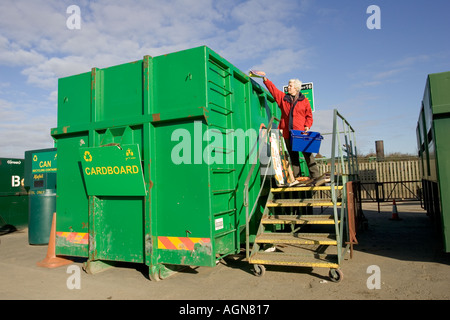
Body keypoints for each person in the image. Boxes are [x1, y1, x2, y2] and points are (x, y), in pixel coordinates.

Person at [262, 75, 320, 180]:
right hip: (287, 133)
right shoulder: (283, 99)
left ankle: (316, 176)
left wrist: (307, 125)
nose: (288, 87)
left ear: (296, 88)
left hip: (300, 133)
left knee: (308, 155)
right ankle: (298, 178)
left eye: (290, 86)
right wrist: (265, 80)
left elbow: (309, 116)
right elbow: (274, 91)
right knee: (293, 157)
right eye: (288, 85)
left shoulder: (304, 101)